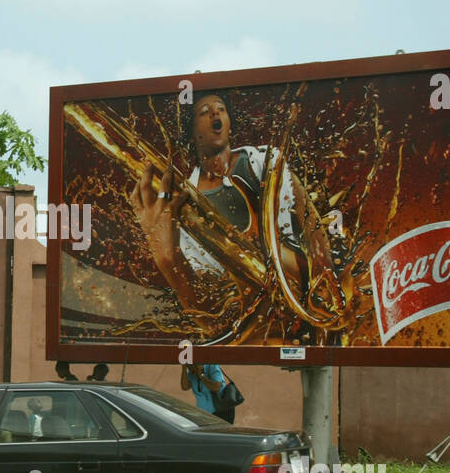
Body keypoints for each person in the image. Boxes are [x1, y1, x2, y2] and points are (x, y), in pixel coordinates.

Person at [129, 92, 334, 326]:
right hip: (266, 320)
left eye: (221, 109)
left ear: (229, 125)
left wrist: (323, 275)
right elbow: (210, 315)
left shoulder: (263, 162)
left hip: (307, 295)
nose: (215, 113)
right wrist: (167, 258)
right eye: (204, 112)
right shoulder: (184, 205)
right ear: (192, 135)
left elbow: (312, 226)